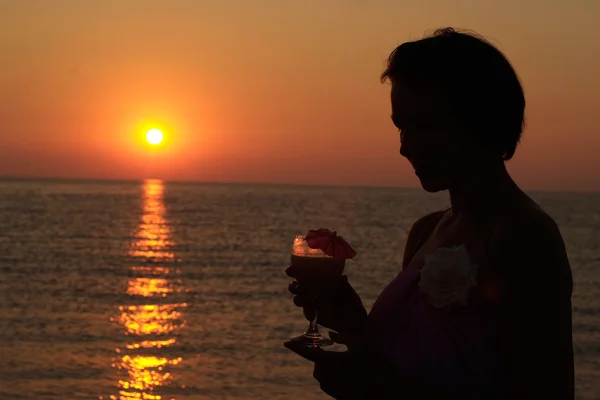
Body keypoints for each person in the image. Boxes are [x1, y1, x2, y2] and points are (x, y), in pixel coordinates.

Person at [284, 27, 574, 399]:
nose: (405, 147)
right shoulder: (425, 231)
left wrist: (370, 388)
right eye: (401, 127)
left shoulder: (525, 237)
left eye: (423, 125)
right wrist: (349, 317)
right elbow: (402, 360)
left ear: (480, 118)